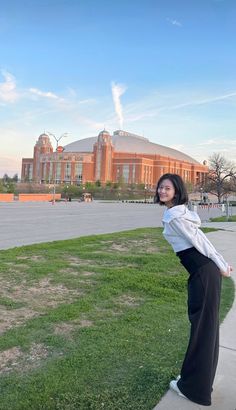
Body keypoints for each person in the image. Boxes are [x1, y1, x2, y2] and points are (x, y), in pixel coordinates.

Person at [155, 173, 232, 406]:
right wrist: (220, 261)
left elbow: (199, 243)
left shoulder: (173, 216)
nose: (161, 191)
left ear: (176, 191)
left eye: (166, 188)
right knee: (206, 328)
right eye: (160, 187)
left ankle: (193, 389)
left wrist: (220, 264)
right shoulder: (182, 213)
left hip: (202, 273)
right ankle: (197, 381)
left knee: (202, 329)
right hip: (204, 272)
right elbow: (202, 240)